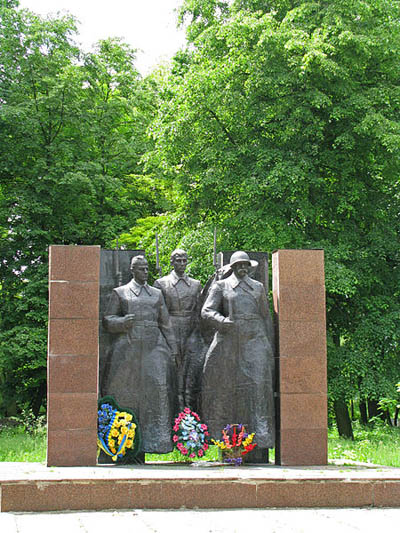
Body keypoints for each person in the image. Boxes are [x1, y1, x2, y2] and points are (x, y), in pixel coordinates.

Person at [201, 251, 275, 451]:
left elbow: (265, 316)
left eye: (246, 265)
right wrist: (223, 322)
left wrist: (268, 344)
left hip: (254, 339)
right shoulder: (221, 286)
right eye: (239, 265)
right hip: (229, 341)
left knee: (259, 384)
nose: (243, 269)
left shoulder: (258, 288)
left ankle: (261, 433)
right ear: (233, 267)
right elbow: (207, 311)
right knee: (225, 387)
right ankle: (223, 434)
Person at [103, 255, 177, 453]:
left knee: (159, 388)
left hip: (154, 345)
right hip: (129, 346)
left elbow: (166, 324)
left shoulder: (156, 294)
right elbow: (108, 320)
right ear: (132, 270)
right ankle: (123, 440)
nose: (145, 272)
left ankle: (159, 440)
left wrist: (173, 349)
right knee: (126, 391)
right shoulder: (121, 292)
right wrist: (121, 322)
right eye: (141, 269)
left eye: (147, 269)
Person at [154, 249, 203, 411]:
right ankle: (173, 408)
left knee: (190, 369)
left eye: (184, 260)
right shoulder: (161, 284)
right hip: (170, 329)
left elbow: (199, 310)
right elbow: (159, 313)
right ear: (172, 262)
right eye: (178, 260)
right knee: (172, 369)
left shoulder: (196, 284)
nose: (182, 264)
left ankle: (189, 409)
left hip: (190, 330)